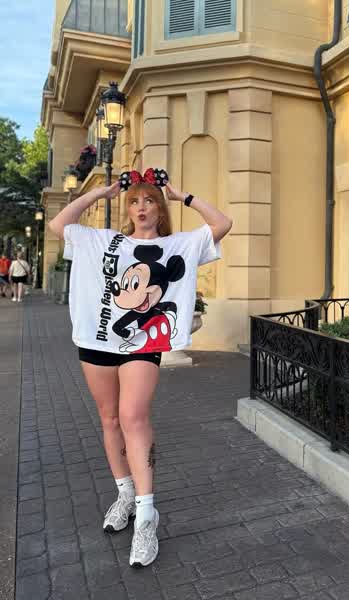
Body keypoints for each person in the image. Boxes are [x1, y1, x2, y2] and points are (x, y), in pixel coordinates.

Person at [47, 168, 233, 568]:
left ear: (159, 209)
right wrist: (100, 193)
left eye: (149, 200)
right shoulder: (104, 240)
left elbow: (222, 224)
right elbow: (58, 224)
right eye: (134, 201)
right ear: (127, 208)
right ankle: (125, 495)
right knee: (110, 419)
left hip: (143, 343)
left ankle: (147, 515)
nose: (141, 207)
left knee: (133, 416)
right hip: (96, 341)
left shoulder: (176, 245)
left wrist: (184, 197)